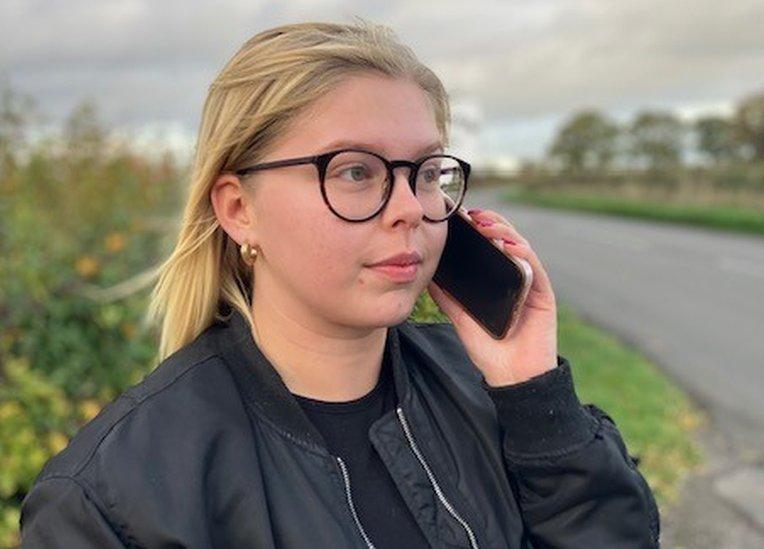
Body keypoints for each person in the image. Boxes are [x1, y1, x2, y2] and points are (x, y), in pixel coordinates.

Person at [19, 19, 660, 548]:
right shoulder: (112, 498)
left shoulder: (491, 396)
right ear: (239, 208)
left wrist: (533, 395)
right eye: (356, 172)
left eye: (427, 172)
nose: (409, 206)